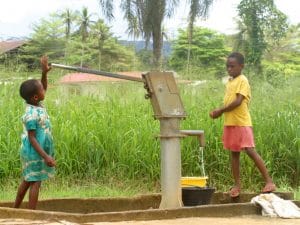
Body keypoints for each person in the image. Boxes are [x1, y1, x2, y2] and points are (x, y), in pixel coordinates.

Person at [209, 52, 276, 198]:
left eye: (232, 66)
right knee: (234, 153)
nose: (229, 69)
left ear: (241, 66)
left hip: (241, 122)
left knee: (250, 150)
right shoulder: (230, 82)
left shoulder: (243, 80)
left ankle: (269, 181)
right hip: (230, 123)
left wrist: (220, 110)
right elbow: (229, 101)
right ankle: (237, 185)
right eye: (227, 66)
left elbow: (238, 101)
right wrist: (219, 111)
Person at [14, 56, 56, 209]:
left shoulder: (37, 104)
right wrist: (46, 157)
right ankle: (31, 215)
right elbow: (32, 138)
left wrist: (44, 73)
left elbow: (42, 87)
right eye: (41, 88)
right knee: (35, 182)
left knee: (27, 180)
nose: (44, 88)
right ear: (36, 96)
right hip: (35, 152)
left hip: (35, 152)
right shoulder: (31, 114)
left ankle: (15, 210)